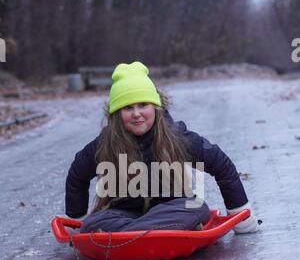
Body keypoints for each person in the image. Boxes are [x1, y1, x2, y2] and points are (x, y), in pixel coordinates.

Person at [65, 61, 259, 234]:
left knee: (196, 209)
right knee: (93, 223)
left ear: (155, 108)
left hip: (171, 209)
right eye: (127, 108)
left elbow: (221, 164)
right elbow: (77, 175)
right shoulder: (106, 143)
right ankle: (153, 233)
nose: (136, 114)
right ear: (117, 115)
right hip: (124, 213)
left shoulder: (176, 136)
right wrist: (78, 220)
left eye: (143, 105)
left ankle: (127, 237)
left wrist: (240, 213)